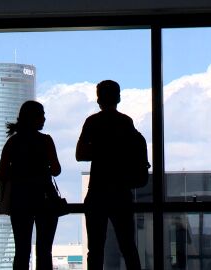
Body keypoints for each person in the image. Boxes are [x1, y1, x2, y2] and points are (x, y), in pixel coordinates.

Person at [76, 80, 142, 270]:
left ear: (98, 99)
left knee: (95, 249)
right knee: (128, 246)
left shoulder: (92, 122)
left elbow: (80, 154)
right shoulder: (125, 122)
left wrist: (99, 150)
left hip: (97, 191)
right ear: (118, 98)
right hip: (121, 191)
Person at [0, 100, 61, 270]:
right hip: (45, 200)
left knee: (22, 251)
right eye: (42, 115)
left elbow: (1, 175)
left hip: (19, 202)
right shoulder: (45, 141)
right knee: (45, 251)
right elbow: (56, 170)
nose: (44, 118)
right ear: (34, 118)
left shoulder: (12, 143)